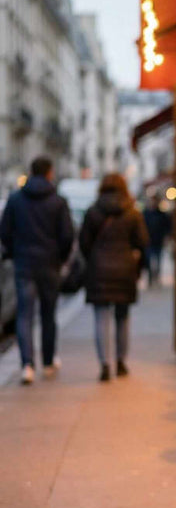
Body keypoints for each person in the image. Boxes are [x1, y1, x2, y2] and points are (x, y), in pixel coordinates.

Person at [0, 156, 74, 384]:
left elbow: (5, 232)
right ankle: (49, 361)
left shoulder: (15, 199)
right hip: (50, 264)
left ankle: (27, 365)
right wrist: (60, 258)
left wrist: (15, 252)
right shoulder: (58, 201)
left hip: (24, 264)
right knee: (48, 314)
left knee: (24, 314)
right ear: (50, 172)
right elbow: (67, 235)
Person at [79, 174, 149, 382]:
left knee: (101, 317)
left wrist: (94, 258)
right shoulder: (132, 213)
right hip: (125, 270)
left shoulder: (93, 212)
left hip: (99, 270)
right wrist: (138, 267)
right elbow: (143, 242)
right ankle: (120, 362)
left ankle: (104, 364)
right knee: (123, 316)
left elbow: (83, 242)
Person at [142, 194, 172, 286]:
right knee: (149, 261)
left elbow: (168, 227)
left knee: (158, 260)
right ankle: (151, 278)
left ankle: (157, 277)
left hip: (158, 240)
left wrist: (166, 237)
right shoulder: (146, 213)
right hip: (148, 241)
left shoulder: (162, 214)